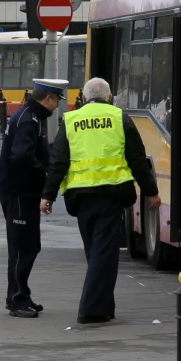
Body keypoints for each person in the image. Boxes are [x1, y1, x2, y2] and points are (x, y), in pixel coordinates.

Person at [40, 77, 159, 324]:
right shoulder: (119, 118)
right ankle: (91, 309)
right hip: (110, 195)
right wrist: (152, 192)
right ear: (110, 97)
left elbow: (58, 161)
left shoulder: (71, 120)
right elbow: (137, 159)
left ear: (83, 98)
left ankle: (104, 306)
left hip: (80, 197)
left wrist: (48, 195)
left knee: (95, 251)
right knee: (103, 253)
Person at [0, 78, 66, 318]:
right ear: (48, 98)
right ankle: (16, 299)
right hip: (18, 191)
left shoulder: (32, 116)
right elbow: (22, 154)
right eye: (57, 100)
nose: (57, 105)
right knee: (21, 247)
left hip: (23, 191)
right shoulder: (28, 119)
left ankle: (21, 294)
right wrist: (44, 173)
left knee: (30, 246)